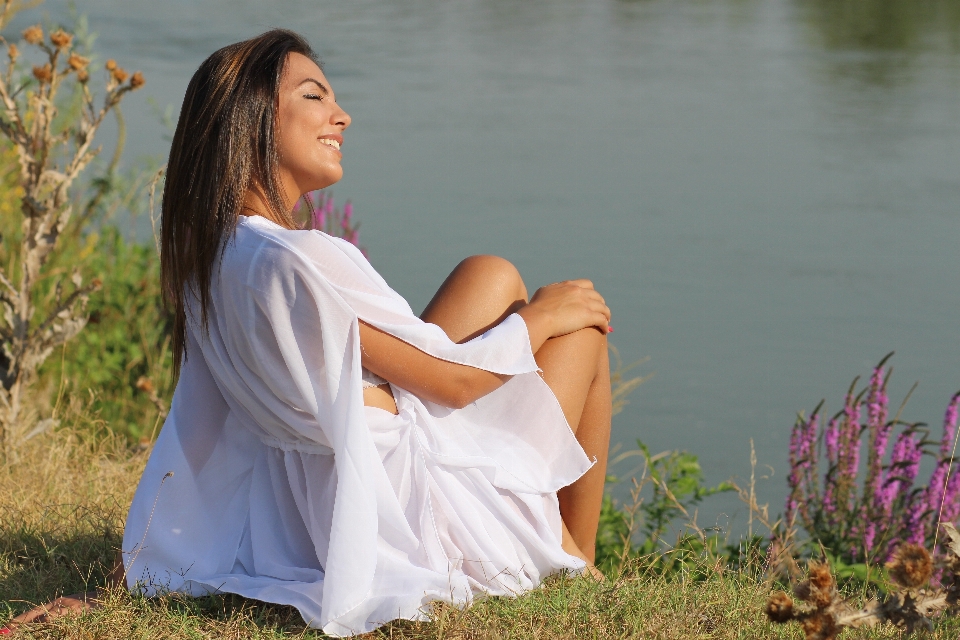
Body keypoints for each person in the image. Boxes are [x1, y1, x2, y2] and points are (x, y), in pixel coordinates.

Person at [5, 29, 612, 637]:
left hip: (319, 497)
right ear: (254, 118)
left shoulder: (214, 261)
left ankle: (557, 542)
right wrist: (541, 319)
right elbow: (453, 384)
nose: (341, 117)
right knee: (583, 320)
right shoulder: (304, 257)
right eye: (316, 97)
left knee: (491, 274)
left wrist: (126, 576)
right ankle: (578, 561)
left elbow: (195, 429)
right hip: (409, 511)